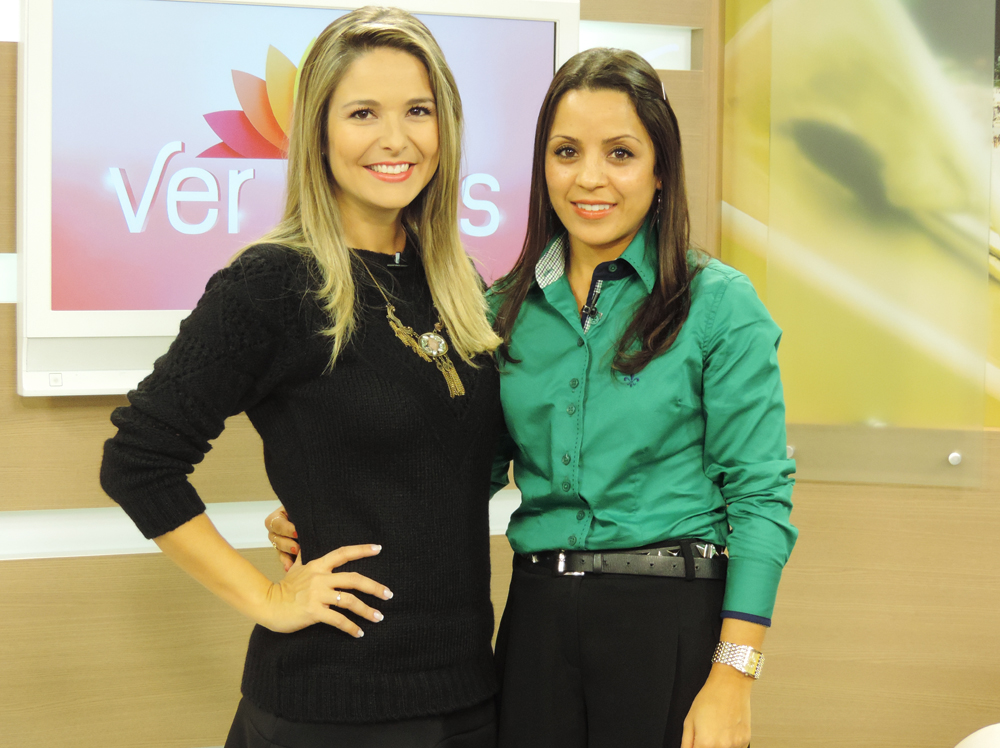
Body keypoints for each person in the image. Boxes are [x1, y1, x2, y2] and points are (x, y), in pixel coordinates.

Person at [269, 47, 797, 748]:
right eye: (566, 152)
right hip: (537, 621)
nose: (589, 178)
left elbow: (760, 498)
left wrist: (734, 675)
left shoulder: (719, 305)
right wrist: (334, 510)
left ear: (661, 169)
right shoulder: (496, 312)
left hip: (669, 616)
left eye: (620, 154)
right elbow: (458, 474)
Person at [100, 7, 504, 748]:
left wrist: (335, 499)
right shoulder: (274, 283)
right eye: (362, 113)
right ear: (317, 132)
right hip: (329, 708)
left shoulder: (458, 286)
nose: (396, 138)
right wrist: (267, 597)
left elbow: (455, 468)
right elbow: (138, 460)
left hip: (469, 695)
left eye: (418, 111)